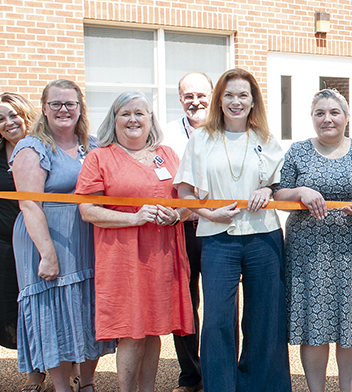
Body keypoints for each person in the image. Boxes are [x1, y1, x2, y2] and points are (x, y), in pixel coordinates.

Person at [173, 68, 290, 392]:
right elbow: (184, 193)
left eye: (243, 95)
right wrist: (208, 211)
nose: (235, 101)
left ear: (253, 101)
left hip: (262, 236)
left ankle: (262, 386)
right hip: (216, 238)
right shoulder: (201, 139)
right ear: (219, 100)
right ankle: (221, 386)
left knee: (265, 318)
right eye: (229, 95)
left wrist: (267, 190)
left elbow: (279, 185)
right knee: (218, 322)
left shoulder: (265, 139)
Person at [274, 89, 352, 392]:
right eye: (320, 113)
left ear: (346, 117)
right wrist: (300, 192)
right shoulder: (298, 152)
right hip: (309, 253)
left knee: (351, 324)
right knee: (314, 323)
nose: (327, 119)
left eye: (334, 112)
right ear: (312, 118)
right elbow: (279, 194)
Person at [77, 92, 193, 392]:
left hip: (162, 254)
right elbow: (88, 210)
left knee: (154, 328)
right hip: (122, 257)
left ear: (150, 119)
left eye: (140, 113)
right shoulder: (99, 157)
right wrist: (134, 218)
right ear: (113, 120)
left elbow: (188, 202)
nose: (133, 119)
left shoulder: (166, 154)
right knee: (131, 330)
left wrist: (176, 215)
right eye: (125, 113)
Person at [12, 79, 115, 392]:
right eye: (55, 103)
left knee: (87, 308)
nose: (63, 109)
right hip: (47, 238)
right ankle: (61, 386)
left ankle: (87, 382)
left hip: (87, 239)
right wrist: (47, 253)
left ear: (80, 107)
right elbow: (29, 205)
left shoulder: (93, 145)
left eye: (70, 103)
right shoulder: (32, 148)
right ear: (43, 109)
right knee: (54, 311)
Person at [163, 71, 211, 392]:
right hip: (182, 230)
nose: (195, 101)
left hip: (218, 228)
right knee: (183, 302)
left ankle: (219, 367)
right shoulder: (165, 136)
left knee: (222, 302)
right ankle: (190, 374)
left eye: (201, 94)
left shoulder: (228, 130)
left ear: (212, 94)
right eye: (188, 96)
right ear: (180, 99)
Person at [0, 92, 35, 350]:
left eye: (13, 115)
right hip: (1, 240)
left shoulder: (41, 145)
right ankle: (32, 375)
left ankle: (69, 370)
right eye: (0, 119)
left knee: (43, 301)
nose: (8, 122)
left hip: (38, 237)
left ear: (26, 115)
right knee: (9, 304)